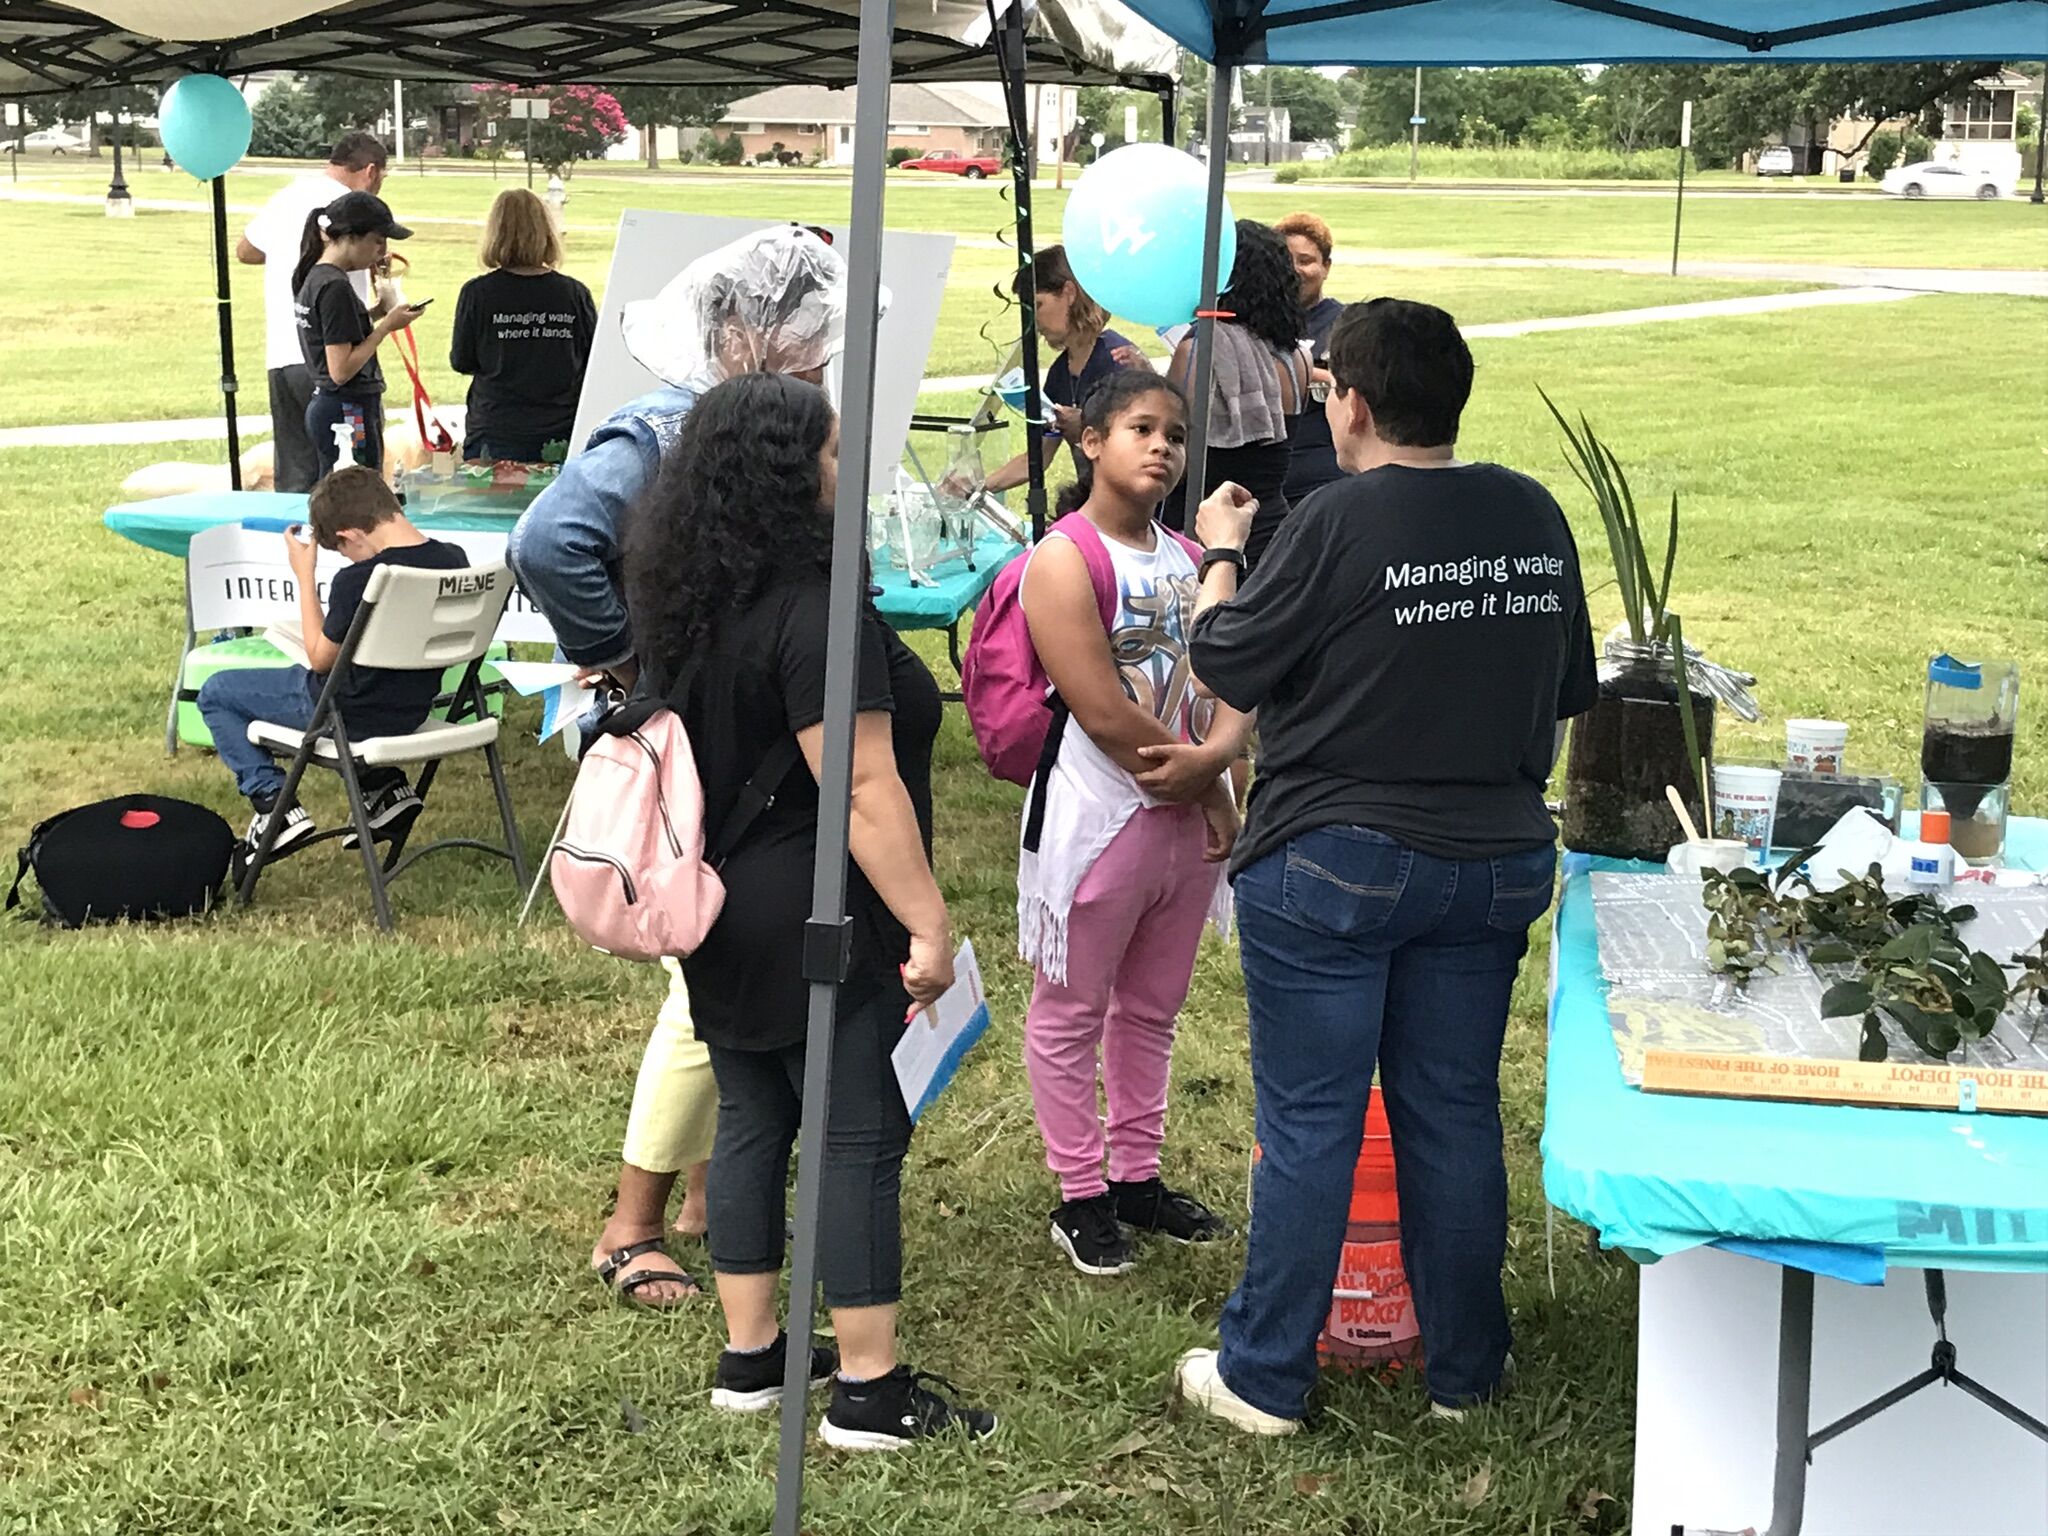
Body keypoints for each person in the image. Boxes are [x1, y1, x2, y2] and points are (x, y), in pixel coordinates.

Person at [1168, 299, 1599, 1433]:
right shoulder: (1530, 509)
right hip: (1496, 860)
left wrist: (1218, 553)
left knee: (1312, 1122)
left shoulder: (1333, 518)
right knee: (1451, 1112)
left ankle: (1261, 1377)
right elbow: (1566, 690)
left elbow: (1225, 658)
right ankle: (1467, 1372)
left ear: (1346, 402)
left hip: (1334, 863)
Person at [623, 372, 996, 1448]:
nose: (851, 474)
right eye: (835, 458)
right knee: (855, 1139)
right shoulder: (818, 612)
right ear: (791, 480)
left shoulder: (685, 596)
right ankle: (871, 1392)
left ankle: (753, 1357)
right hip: (820, 911)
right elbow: (863, 788)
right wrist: (925, 923)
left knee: (750, 1119)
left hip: (717, 904)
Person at [510, 225, 852, 1309]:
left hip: (728, 738)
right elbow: (549, 537)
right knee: (699, 990)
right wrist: (630, 663)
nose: (817, 363)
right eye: (805, 343)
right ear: (745, 332)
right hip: (688, 743)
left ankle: (708, 1193)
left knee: (722, 971)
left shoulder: (740, 431)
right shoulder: (663, 430)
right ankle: (633, 1222)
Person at [1014, 370, 1251, 1277]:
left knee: (1151, 1008)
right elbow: (1102, 706)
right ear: (1091, 442)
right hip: (1099, 816)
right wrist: (1200, 782)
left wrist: (1220, 776)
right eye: (1140, 429)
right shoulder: (1064, 558)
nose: (1162, 447)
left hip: (1181, 823)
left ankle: (1137, 1177)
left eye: (1176, 435)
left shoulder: (1191, 557)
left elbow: (1211, 679)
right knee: (1071, 1010)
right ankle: (1079, 1192)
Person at [196, 466, 467, 855]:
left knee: (217, 692)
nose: (346, 559)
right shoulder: (454, 561)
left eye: (342, 551)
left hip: (348, 714)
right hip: (410, 707)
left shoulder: (362, 579)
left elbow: (321, 660)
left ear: (349, 535)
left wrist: (305, 575)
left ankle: (274, 804)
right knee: (341, 678)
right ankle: (385, 789)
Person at [238, 134, 391, 493]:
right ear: (370, 172)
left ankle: (296, 545)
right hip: (334, 365)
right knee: (351, 479)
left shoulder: (290, 195)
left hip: (284, 356)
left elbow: (246, 250)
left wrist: (290, 254)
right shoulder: (350, 212)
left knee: (295, 474)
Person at [1161, 220, 1310, 572]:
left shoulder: (1199, 350)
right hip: (1273, 527)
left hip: (1206, 530)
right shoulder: (1296, 356)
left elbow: (1175, 454)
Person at [983, 245, 1149, 495]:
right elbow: (1039, 457)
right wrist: (979, 487)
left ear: (1069, 293)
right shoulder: (1060, 372)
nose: (1031, 320)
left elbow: (1140, 447)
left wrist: (1084, 424)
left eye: (1037, 305)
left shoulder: (1117, 360)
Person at [449, 188, 597, 464]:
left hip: (494, 433)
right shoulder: (574, 294)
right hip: (560, 434)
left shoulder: (477, 294)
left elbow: (461, 360)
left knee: (493, 506)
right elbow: (593, 360)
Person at [291, 191, 424, 482]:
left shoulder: (315, 277)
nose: (383, 250)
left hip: (332, 405)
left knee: (342, 491)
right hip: (348, 411)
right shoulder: (335, 287)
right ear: (351, 236)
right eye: (378, 241)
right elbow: (340, 370)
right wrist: (386, 327)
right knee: (357, 494)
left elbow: (337, 329)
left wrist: (376, 312)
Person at [1274, 213, 1345, 507]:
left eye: (1305, 261)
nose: (1295, 270)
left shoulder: (1344, 324)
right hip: (1267, 477)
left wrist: (1309, 374)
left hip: (1324, 479)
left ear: (1326, 267)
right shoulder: (1257, 322)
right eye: (1287, 260)